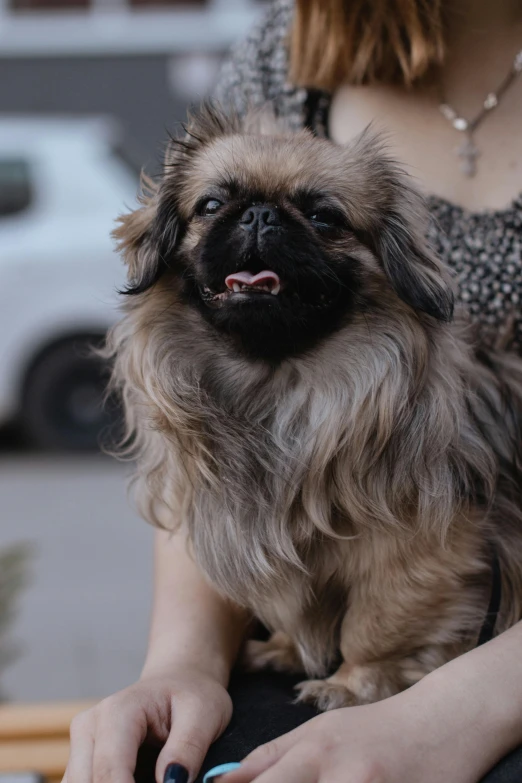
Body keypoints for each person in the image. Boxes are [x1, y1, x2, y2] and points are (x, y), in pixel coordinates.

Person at [63, 1, 522, 781]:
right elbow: (203, 476)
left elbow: (425, 547)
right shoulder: (288, 46)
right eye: (219, 208)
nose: (260, 229)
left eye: (319, 216)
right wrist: (183, 663)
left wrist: (427, 700)